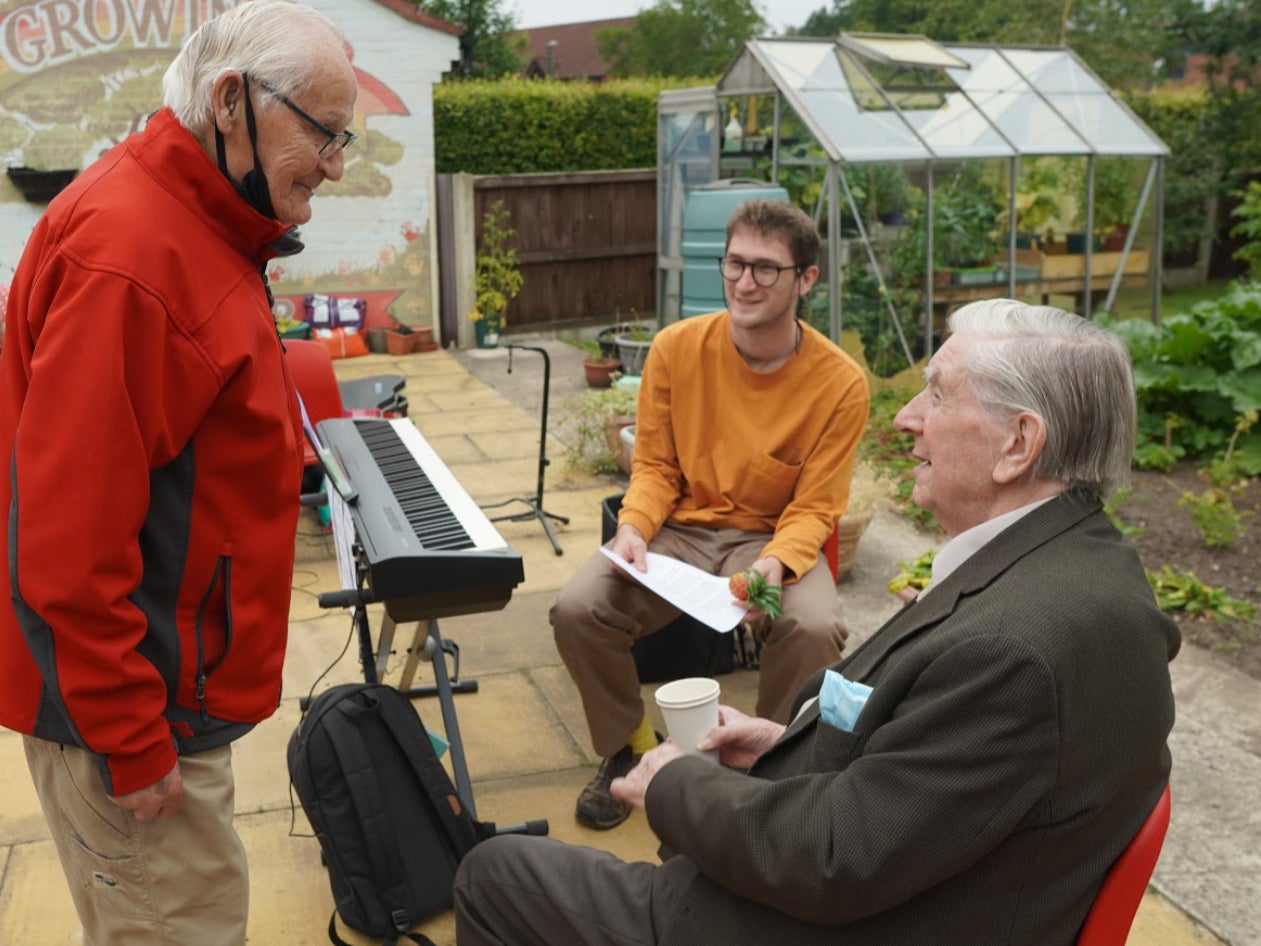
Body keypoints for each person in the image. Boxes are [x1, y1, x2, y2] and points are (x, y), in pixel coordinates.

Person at [456, 299, 1180, 946]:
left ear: (1019, 444)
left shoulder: (1015, 650)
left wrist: (674, 786)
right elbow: (947, 773)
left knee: (496, 874)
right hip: (918, 885)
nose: (905, 418)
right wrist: (787, 743)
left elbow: (833, 861)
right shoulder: (1080, 564)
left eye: (935, 394)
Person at [0, 3, 357, 943]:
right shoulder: (133, 257)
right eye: (323, 133)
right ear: (230, 102)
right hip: (131, 713)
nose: (335, 163)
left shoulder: (189, 220)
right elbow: (66, 543)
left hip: (163, 691)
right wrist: (129, 735)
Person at [552, 198, 871, 830]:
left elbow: (815, 507)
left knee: (812, 627)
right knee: (578, 608)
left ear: (806, 278)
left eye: (765, 269)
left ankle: (766, 763)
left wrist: (776, 566)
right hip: (679, 535)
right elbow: (656, 469)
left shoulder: (839, 383)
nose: (744, 282)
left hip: (770, 543)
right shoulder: (675, 349)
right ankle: (630, 749)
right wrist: (635, 529)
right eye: (734, 263)